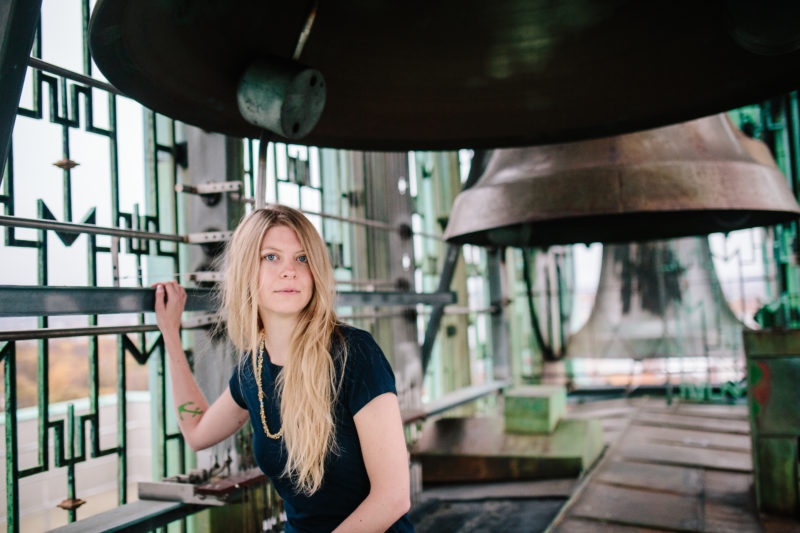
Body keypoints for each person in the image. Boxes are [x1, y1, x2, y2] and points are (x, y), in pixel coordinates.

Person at [153, 204, 414, 532]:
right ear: (247, 270)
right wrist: (171, 336)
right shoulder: (253, 368)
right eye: (271, 257)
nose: (289, 271)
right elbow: (196, 432)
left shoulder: (355, 354)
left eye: (302, 258)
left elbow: (392, 498)